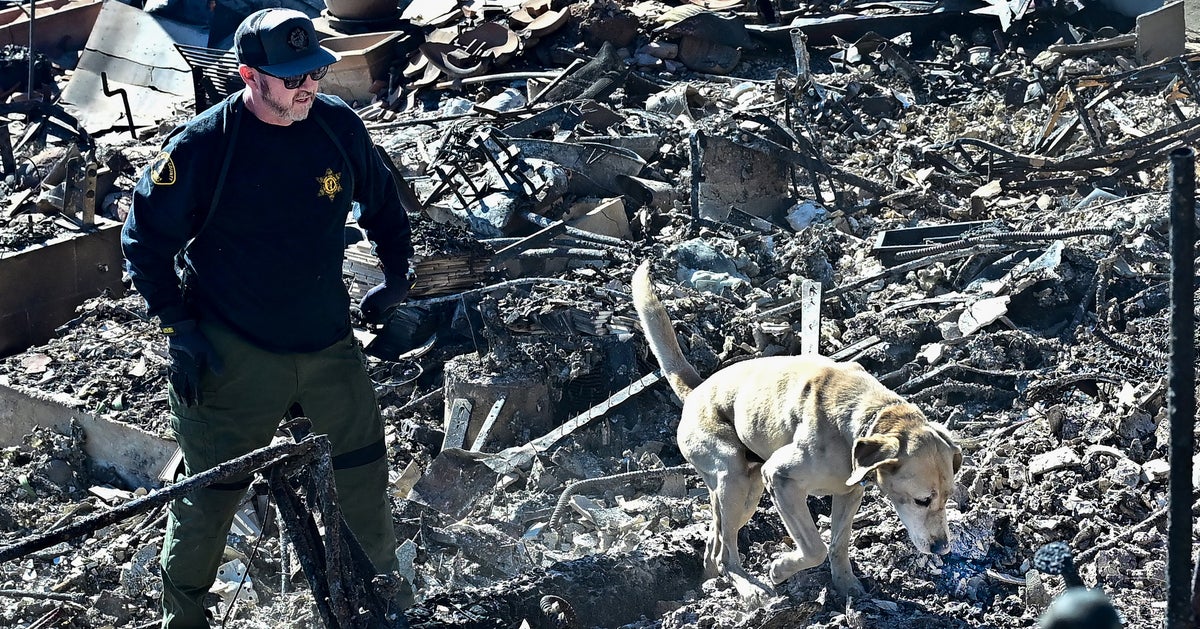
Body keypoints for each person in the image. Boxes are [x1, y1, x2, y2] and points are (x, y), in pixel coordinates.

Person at [120, 8, 414, 628]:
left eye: (313, 72)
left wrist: (396, 280)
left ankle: (384, 606)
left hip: (329, 343)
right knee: (209, 499)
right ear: (250, 75)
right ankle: (184, 620)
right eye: (290, 78)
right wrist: (178, 327)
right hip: (235, 352)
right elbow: (143, 242)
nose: (307, 86)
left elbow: (386, 205)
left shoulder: (336, 127)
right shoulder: (204, 148)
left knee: (363, 475)